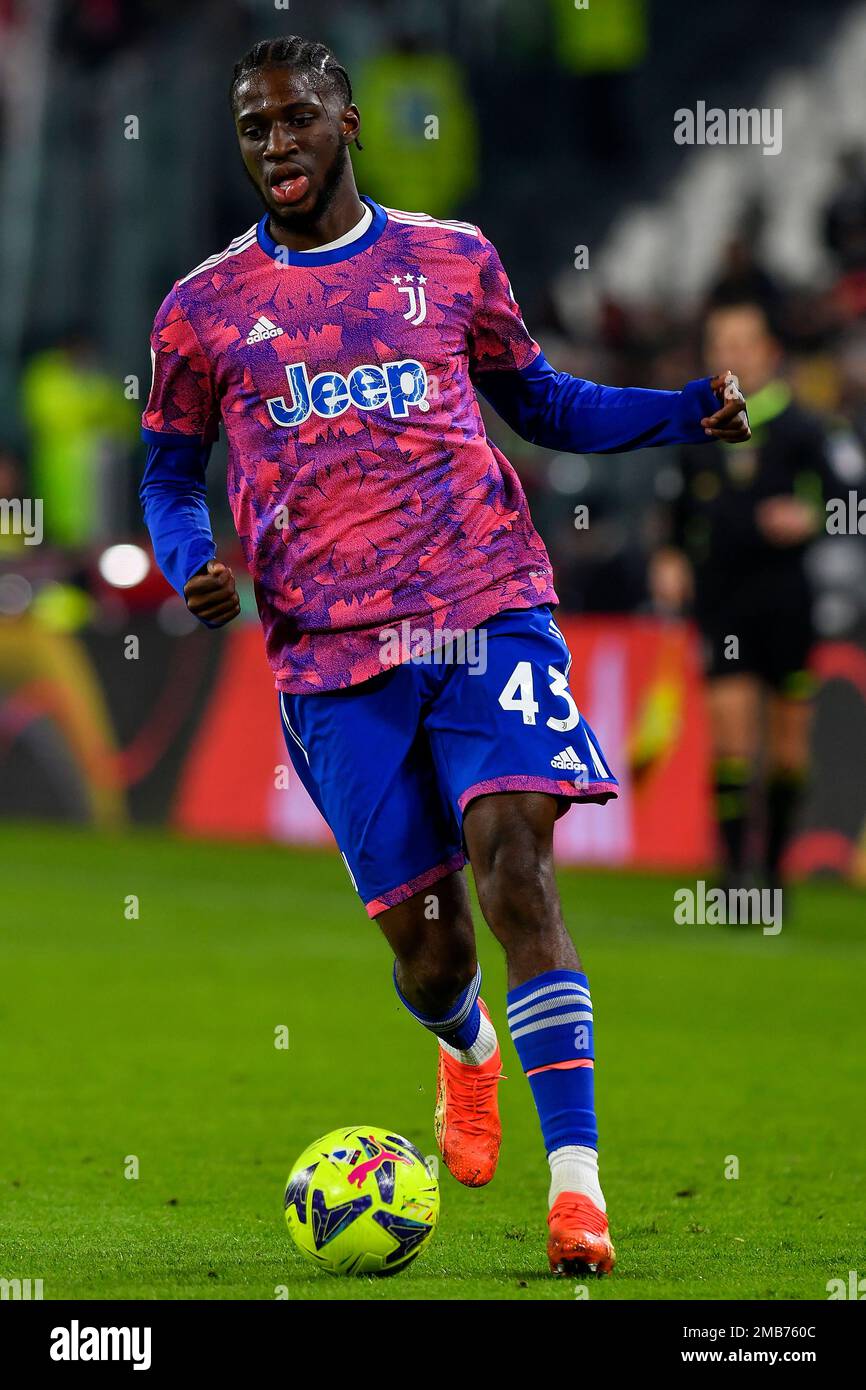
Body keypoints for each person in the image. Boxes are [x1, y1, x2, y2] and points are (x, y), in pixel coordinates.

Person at [140, 35, 750, 1277]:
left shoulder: (449, 257)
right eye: (253, 130)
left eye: (295, 119)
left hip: (484, 601)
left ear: (347, 120)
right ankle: (462, 1044)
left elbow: (540, 401)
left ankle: (576, 1194)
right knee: (430, 949)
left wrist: (680, 412)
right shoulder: (202, 308)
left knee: (515, 865)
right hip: (327, 651)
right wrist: (188, 556)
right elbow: (165, 468)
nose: (275, 146)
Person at [651, 300, 832, 893]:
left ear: (768, 353)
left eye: (742, 342)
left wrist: (810, 516)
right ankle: (734, 879)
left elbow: (845, 502)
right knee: (730, 735)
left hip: (788, 599)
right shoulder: (696, 429)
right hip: (723, 596)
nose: (730, 354)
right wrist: (671, 558)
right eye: (719, 343)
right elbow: (675, 518)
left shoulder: (805, 428)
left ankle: (775, 872)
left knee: (787, 746)